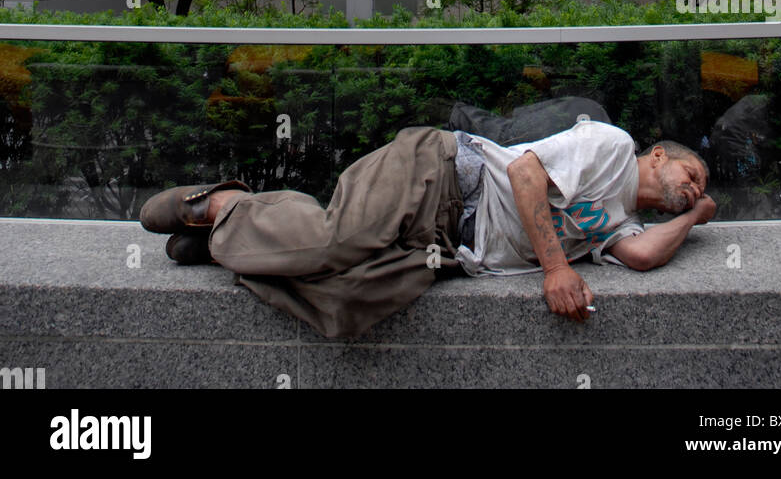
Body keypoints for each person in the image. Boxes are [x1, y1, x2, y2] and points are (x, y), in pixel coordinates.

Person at [139, 119, 716, 340]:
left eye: (698, 189)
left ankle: (227, 250)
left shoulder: (623, 222)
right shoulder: (611, 146)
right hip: (442, 175)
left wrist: (694, 217)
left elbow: (641, 257)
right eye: (692, 176)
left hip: (445, 251)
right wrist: (559, 267)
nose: (692, 189)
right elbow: (523, 171)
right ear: (659, 155)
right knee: (336, 242)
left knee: (342, 308)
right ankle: (223, 204)